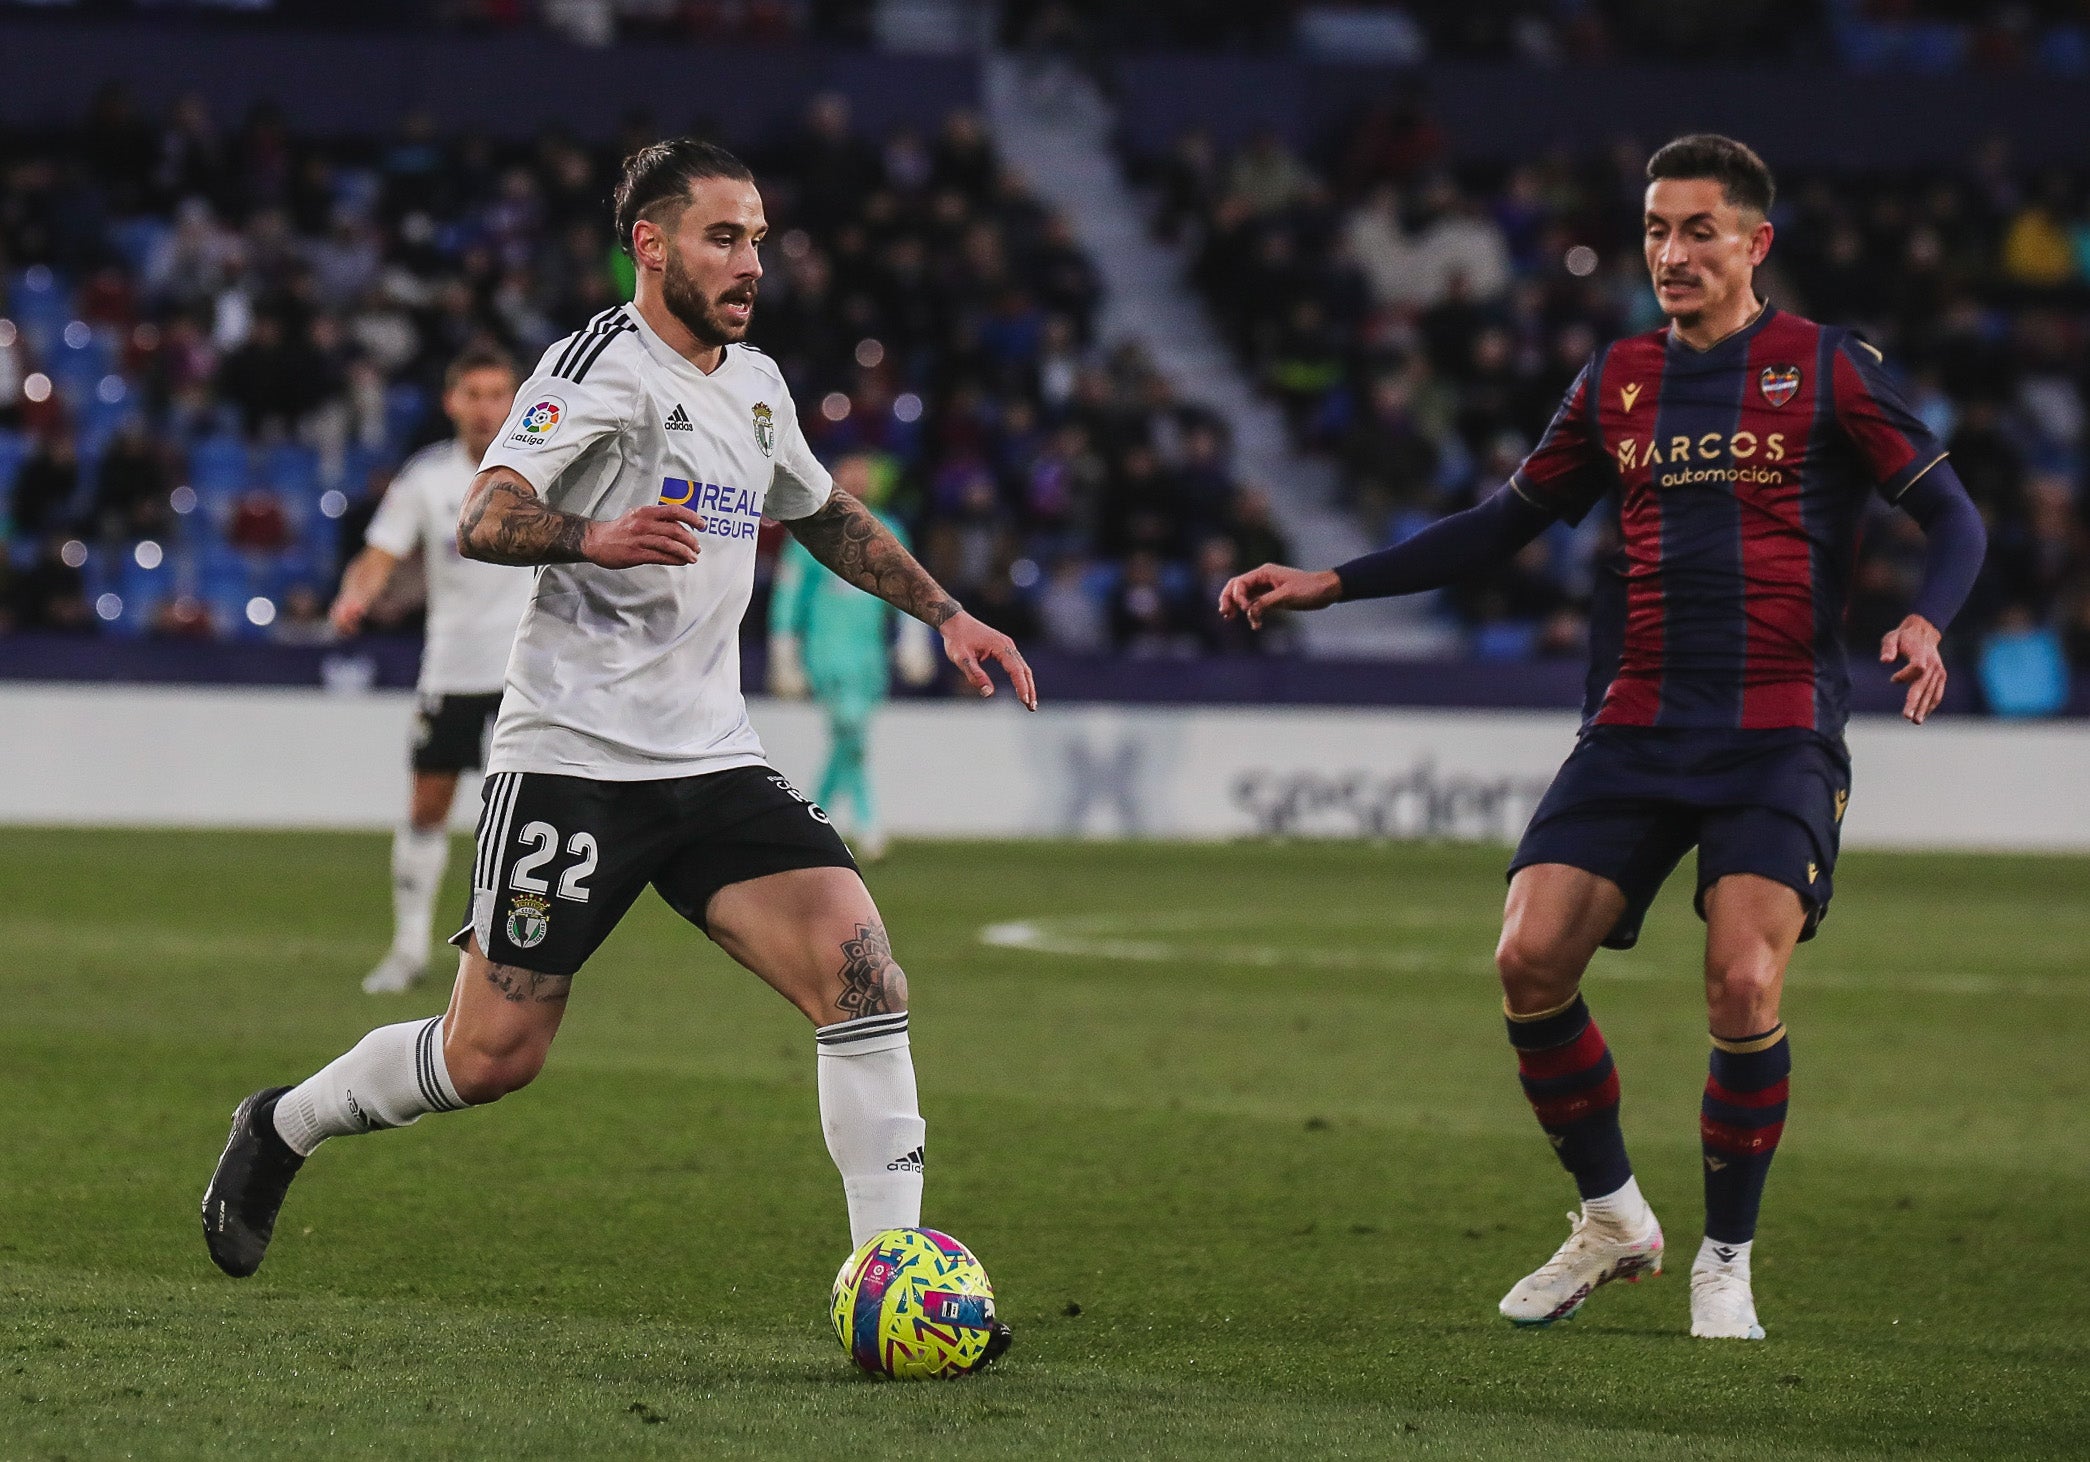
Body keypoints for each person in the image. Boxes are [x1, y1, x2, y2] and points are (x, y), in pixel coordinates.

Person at [202, 142, 1031, 1372]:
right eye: (721, 238)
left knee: (863, 975)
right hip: (574, 759)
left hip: (712, 760)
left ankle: (889, 1290)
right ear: (650, 244)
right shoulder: (597, 369)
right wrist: (591, 534)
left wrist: (947, 613)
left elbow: (824, 513)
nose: (749, 262)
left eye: (756, 238)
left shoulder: (754, 383)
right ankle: (281, 1124)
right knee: (491, 1055)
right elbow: (487, 513)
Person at [1218, 135, 1987, 1341]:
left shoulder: (1826, 370)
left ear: (1752, 244)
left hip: (1773, 728)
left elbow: (1952, 516)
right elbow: (1499, 522)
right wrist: (1333, 581)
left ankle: (1723, 1259)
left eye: (1695, 231)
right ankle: (1614, 1219)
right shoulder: (1614, 379)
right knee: (1526, 957)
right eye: (1653, 231)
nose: (1670, 254)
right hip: (1633, 724)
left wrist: (1926, 621)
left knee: (1740, 979)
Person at [327, 346, 533, 994]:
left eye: (497, 393)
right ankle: (410, 948)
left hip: (530, 672)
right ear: (451, 402)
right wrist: (355, 594)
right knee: (427, 805)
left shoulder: (540, 472)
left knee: (527, 816)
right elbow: (379, 553)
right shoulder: (427, 479)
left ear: (516, 399)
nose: (485, 408)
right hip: (451, 666)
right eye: (473, 394)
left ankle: (516, 954)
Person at [767, 451, 938, 860]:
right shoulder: (812, 531)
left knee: (851, 739)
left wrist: (914, 637)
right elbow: (789, 595)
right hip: (827, 650)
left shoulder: (890, 528)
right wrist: (784, 651)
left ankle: (813, 818)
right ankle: (867, 824)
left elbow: (911, 586)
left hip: (869, 656)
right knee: (851, 733)